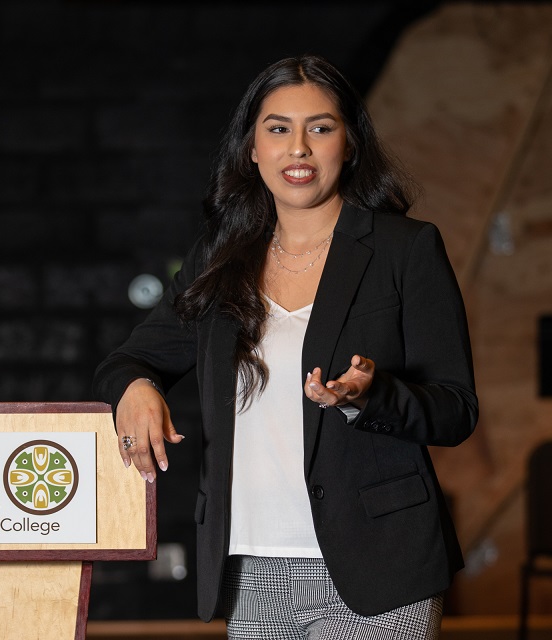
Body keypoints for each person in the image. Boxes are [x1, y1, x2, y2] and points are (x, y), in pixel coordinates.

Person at [93, 54, 477, 639]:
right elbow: (130, 357)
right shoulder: (219, 260)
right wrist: (137, 387)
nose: (298, 148)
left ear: (348, 144)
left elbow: (455, 407)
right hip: (254, 567)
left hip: (380, 560)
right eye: (278, 129)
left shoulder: (406, 250)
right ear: (252, 148)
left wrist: (371, 397)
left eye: (320, 128)